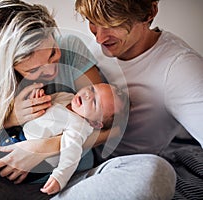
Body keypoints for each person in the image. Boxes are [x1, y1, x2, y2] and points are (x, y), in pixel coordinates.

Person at [0, 0, 176, 199]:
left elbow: (112, 126)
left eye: (53, 53)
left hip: (66, 182)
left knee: (155, 170)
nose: (50, 71)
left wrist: (46, 147)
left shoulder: (71, 47)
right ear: (7, 66)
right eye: (33, 69)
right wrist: (12, 118)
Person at [74, 0, 203, 160]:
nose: (99, 38)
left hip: (121, 165)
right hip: (78, 150)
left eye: (113, 24)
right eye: (92, 21)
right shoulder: (104, 46)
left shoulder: (180, 69)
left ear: (149, 13)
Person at [0, 83, 128, 195]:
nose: (88, 96)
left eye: (95, 103)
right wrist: (37, 97)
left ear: (96, 124)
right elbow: (47, 104)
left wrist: (60, 178)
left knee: (5, 154)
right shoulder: (67, 97)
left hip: (33, 160)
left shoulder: (79, 127)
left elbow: (71, 155)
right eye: (92, 89)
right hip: (24, 133)